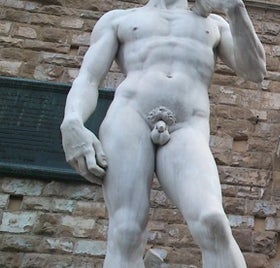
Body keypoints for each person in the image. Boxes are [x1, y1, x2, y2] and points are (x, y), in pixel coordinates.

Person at [59, 0, 265, 266]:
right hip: (129, 116)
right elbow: (87, 78)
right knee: (126, 230)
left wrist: (235, 9)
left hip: (188, 124)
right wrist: (72, 121)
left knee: (212, 221)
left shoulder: (214, 24)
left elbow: (255, 71)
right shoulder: (120, 19)